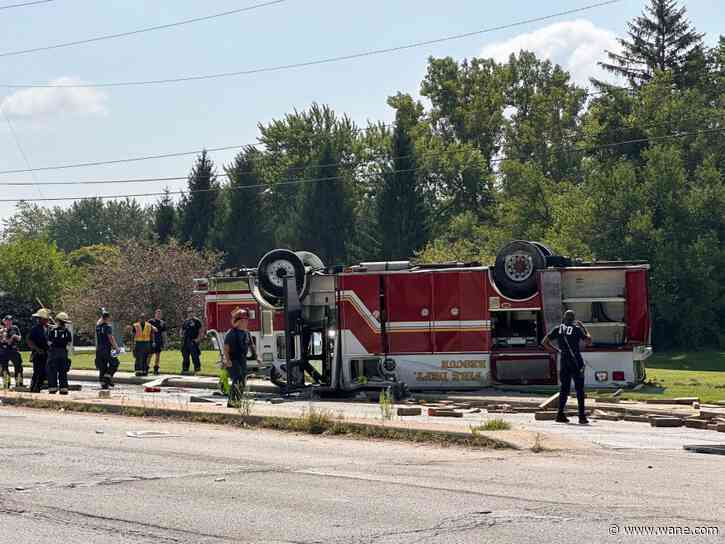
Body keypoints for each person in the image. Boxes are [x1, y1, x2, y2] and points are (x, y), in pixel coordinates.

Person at [542, 310, 592, 424]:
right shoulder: (576, 329)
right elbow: (589, 341)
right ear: (574, 319)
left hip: (564, 360)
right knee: (579, 389)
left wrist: (557, 350)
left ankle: (560, 414)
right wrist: (583, 327)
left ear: (564, 318)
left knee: (564, 388)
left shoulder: (558, 328)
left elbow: (544, 342)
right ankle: (582, 416)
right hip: (576, 360)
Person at [223, 308, 256, 408]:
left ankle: (237, 401)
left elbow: (251, 345)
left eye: (246, 320)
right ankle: (232, 402)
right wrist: (227, 360)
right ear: (238, 321)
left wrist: (256, 357)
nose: (246, 322)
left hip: (242, 359)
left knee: (243, 380)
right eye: (244, 320)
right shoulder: (231, 333)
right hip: (233, 360)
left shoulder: (246, 333)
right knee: (237, 378)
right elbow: (226, 348)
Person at [47, 312, 73, 395]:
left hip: (54, 352)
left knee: (52, 371)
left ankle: (53, 388)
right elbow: (69, 343)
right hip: (63, 353)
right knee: (63, 371)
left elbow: (49, 342)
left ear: (57, 321)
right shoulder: (67, 332)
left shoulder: (52, 330)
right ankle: (63, 388)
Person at [27, 308, 51, 393]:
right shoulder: (35, 329)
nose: (45, 321)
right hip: (38, 355)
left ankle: (38, 388)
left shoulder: (49, 329)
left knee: (45, 373)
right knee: (37, 372)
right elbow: (30, 341)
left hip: (47, 355)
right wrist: (37, 349)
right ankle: (33, 389)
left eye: (46, 319)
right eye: (42, 319)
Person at [95, 309, 120, 390]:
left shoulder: (98, 327)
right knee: (115, 363)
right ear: (108, 318)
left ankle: (104, 384)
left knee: (103, 367)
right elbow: (111, 338)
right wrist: (116, 348)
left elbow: (99, 321)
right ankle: (107, 378)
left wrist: (103, 315)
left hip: (99, 350)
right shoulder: (107, 327)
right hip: (106, 350)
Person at [0, 315, 23, 389]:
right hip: (4, 351)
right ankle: (6, 383)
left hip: (14, 350)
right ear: (4, 321)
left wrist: (15, 336)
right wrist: (7, 339)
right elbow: (2, 341)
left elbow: (19, 338)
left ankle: (19, 383)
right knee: (4, 368)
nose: (9, 322)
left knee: (18, 367)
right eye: (7, 320)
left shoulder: (15, 328)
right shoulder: (2, 330)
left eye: (10, 320)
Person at [180, 308, 203, 375]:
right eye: (189, 312)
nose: (190, 313)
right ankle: (185, 369)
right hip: (185, 341)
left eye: (191, 312)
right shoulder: (185, 321)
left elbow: (201, 331)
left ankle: (197, 369)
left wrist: (198, 339)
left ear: (194, 313)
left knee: (195, 356)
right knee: (185, 356)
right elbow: (182, 329)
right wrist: (181, 334)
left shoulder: (197, 321)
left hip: (193, 340)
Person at [148, 308, 167, 376]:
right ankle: (146, 368)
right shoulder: (151, 321)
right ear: (155, 314)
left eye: (160, 314)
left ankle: (156, 369)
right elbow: (146, 325)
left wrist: (165, 342)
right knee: (149, 355)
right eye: (157, 313)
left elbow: (164, 333)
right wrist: (153, 327)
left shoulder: (162, 323)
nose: (159, 315)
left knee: (158, 356)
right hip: (151, 341)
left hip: (159, 341)